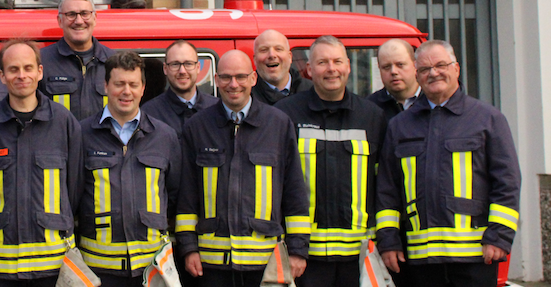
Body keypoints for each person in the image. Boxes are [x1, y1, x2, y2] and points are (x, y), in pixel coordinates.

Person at [376, 40, 521, 287]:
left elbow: (507, 183)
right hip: (418, 262)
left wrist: (499, 237)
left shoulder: (487, 119)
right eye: (425, 69)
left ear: (456, 69)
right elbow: (387, 190)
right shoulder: (400, 125)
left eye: (441, 65)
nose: (433, 73)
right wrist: (388, 241)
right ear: (417, 75)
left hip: (475, 259)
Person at [176, 50, 309, 287]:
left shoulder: (278, 124)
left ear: (254, 79)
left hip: (266, 265)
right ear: (216, 80)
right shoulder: (197, 127)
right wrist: (188, 248)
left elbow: (294, 192)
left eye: (240, 76)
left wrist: (298, 249)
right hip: (212, 266)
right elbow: (187, 195)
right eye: (226, 77)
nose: (233, 84)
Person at [274, 36, 386, 287]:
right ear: (309, 70)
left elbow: (385, 186)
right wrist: (294, 247)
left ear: (347, 66)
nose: (331, 69)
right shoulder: (286, 114)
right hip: (305, 256)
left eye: (337, 61)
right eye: (323, 62)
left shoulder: (372, 117)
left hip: (360, 257)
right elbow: (278, 186)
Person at [0, 39, 83, 285]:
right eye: (13, 69)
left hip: (54, 268)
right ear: (2, 76)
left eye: (28, 68)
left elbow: (75, 189)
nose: (21, 75)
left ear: (40, 72)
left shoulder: (64, 122)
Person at [77, 51, 180, 287]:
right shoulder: (82, 134)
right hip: (98, 271)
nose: (126, 91)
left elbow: (174, 196)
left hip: (152, 270)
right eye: (119, 84)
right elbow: (72, 195)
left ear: (143, 88)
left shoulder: (164, 136)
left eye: (133, 84)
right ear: (105, 86)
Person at [40, 0, 114, 121]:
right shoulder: (41, 62)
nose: (79, 21)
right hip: (61, 141)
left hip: (102, 141)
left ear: (95, 18)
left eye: (85, 14)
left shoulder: (114, 61)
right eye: (71, 14)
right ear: (60, 21)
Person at [140, 40, 219, 141]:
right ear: (165, 68)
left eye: (188, 64)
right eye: (175, 64)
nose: (182, 71)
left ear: (198, 67)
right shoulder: (149, 113)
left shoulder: (217, 108)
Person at [250, 29, 312, 106]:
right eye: (264, 50)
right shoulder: (246, 98)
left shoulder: (313, 91)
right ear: (255, 59)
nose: (272, 55)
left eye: (278, 49)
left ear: (290, 57)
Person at [367, 39, 421, 122]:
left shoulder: (433, 100)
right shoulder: (370, 108)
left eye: (400, 65)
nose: (393, 71)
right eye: (386, 67)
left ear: (415, 65)